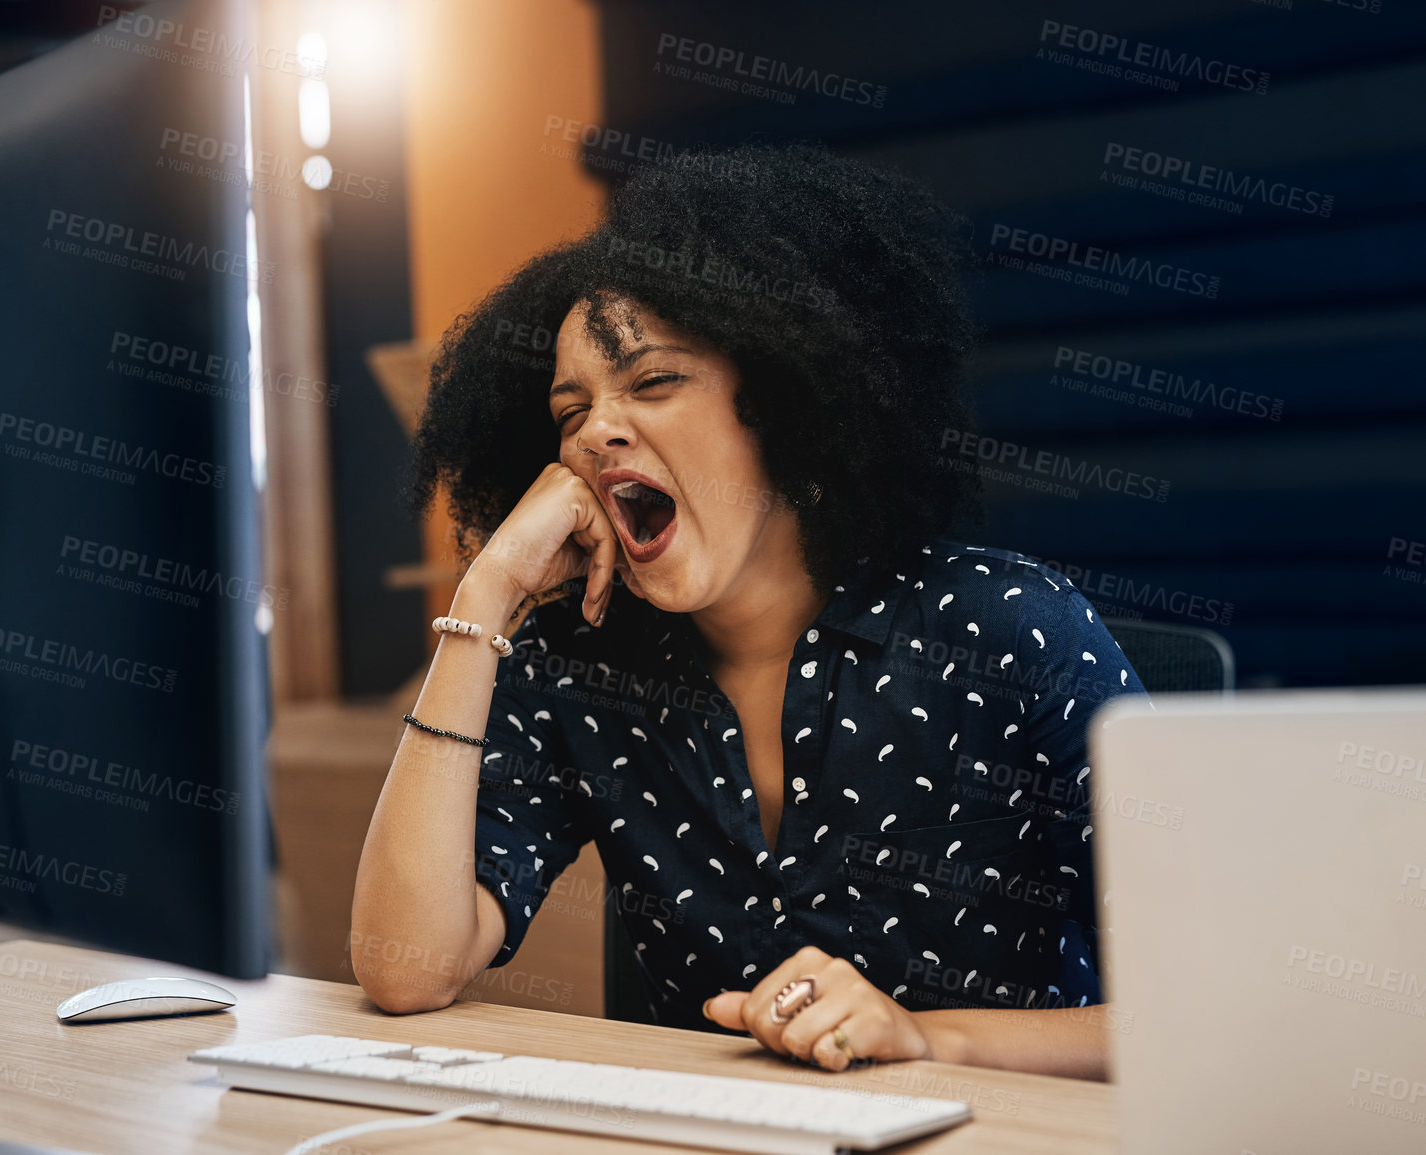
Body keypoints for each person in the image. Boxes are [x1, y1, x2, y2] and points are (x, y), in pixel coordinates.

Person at [351, 144, 1145, 1078]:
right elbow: (406, 970)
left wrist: (931, 1036)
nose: (597, 430)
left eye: (651, 383)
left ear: (784, 402)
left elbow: (1218, 1010)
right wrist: (485, 591)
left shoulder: (1009, 627)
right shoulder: (578, 664)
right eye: (569, 411)